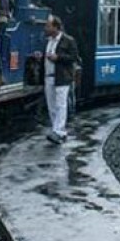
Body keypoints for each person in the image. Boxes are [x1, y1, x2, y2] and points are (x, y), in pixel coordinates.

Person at [35, 15, 79, 144]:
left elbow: (73, 57)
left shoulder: (68, 40)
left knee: (60, 105)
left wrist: (58, 57)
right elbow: (47, 56)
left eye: (48, 26)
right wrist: (41, 57)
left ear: (56, 27)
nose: (45, 28)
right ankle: (58, 131)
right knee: (52, 106)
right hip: (48, 77)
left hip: (62, 77)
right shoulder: (48, 41)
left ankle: (58, 131)